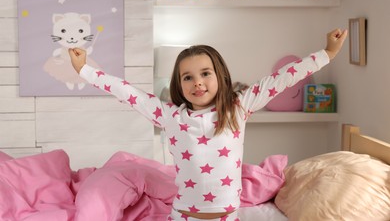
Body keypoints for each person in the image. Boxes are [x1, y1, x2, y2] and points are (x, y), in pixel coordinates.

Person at [69, 28, 348, 221]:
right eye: (187, 77)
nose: (197, 82)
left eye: (205, 73)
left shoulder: (238, 107)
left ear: (220, 76)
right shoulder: (171, 116)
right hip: (183, 216)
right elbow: (128, 93)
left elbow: (281, 79)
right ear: (178, 84)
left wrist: (327, 53)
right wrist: (86, 70)